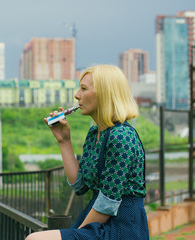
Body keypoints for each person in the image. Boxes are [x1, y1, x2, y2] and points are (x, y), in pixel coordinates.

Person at [26, 64, 149, 240]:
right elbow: (80, 186)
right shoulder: (95, 133)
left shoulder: (121, 136)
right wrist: (64, 141)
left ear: (105, 94)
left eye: (84, 89)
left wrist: (76, 233)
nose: (77, 95)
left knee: (34, 239)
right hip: (98, 220)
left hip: (122, 227)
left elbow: (108, 203)